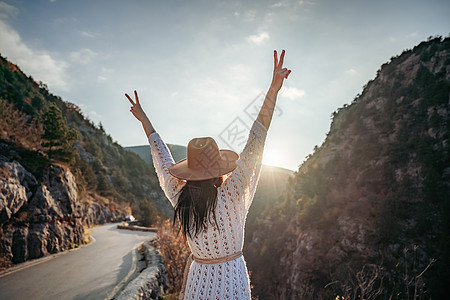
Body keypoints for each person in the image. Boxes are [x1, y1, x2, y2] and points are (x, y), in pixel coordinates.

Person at [125, 50, 291, 300]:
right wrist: (273, 89)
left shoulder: (181, 198)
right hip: (232, 283)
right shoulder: (233, 193)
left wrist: (144, 120)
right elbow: (256, 140)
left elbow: (162, 158)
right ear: (218, 171)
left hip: (197, 284)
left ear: (189, 172)